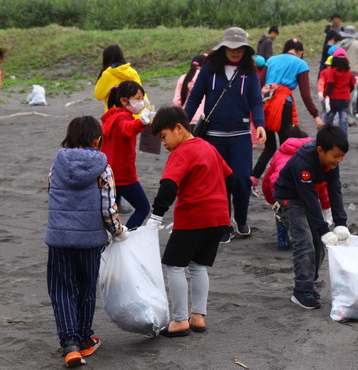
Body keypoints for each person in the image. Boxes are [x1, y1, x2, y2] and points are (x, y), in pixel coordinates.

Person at [45, 116, 128, 367]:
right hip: (90, 240)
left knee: (62, 290)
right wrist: (117, 230)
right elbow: (107, 207)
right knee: (85, 290)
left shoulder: (57, 163)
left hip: (59, 238)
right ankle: (83, 338)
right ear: (97, 139)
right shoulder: (104, 167)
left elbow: (51, 193)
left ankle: (69, 345)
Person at [145, 106, 234, 337]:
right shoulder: (209, 147)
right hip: (218, 219)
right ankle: (198, 317)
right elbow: (231, 179)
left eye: (164, 137)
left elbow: (168, 186)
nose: (164, 144)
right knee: (198, 266)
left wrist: (156, 215)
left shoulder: (181, 153)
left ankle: (180, 320)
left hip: (193, 218)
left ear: (179, 129)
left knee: (175, 265)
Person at [184, 27, 266, 241]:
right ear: (223, 48)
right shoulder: (209, 69)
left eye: (240, 48)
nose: (236, 51)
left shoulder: (249, 72)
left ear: (246, 50)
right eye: (231, 47)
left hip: (240, 136)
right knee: (217, 182)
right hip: (213, 136)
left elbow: (256, 101)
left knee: (241, 180)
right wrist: (183, 123)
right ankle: (223, 225)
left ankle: (241, 219)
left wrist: (260, 124)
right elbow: (194, 99)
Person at [273, 124, 350, 310]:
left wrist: (340, 222)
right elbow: (307, 199)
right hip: (289, 198)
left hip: (308, 196)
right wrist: (323, 228)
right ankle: (301, 290)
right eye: (336, 156)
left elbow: (334, 189)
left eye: (342, 156)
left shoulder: (332, 162)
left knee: (320, 244)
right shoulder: (303, 163)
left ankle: (309, 282)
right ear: (320, 150)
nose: (339, 160)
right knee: (304, 242)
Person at [250, 38, 323, 188]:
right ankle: (284, 182)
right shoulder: (300, 63)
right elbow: (305, 94)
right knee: (287, 145)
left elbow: (260, 84)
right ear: (300, 52)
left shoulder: (271, 60)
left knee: (269, 147)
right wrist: (315, 115)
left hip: (266, 103)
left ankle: (253, 180)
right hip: (283, 105)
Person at [262, 125, 332, 250]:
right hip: (304, 190)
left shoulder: (278, 154)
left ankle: (282, 239)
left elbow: (267, 180)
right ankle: (304, 238)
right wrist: (326, 207)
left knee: (281, 214)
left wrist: (272, 200)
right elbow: (322, 187)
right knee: (304, 216)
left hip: (280, 190)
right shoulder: (313, 156)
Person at [100, 80, 154, 228]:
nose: (141, 102)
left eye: (141, 98)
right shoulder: (123, 118)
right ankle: (127, 236)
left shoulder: (111, 117)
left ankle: (111, 239)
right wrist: (141, 122)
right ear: (124, 100)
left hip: (108, 172)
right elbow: (127, 128)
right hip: (124, 174)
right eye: (137, 98)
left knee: (112, 210)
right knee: (143, 207)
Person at [94, 45, 143, 113]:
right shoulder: (132, 71)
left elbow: (99, 95)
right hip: (136, 112)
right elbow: (140, 92)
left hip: (115, 115)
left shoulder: (107, 74)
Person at [324, 48, 356, 135]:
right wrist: (346, 92)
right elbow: (352, 86)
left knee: (330, 119)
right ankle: (344, 140)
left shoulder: (333, 72)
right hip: (345, 99)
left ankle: (327, 137)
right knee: (343, 121)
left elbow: (330, 85)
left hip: (334, 98)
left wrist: (327, 96)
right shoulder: (349, 73)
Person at [173, 54, 207, 127]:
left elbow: (176, 102)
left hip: (187, 118)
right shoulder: (207, 77)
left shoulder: (183, 78)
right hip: (204, 119)